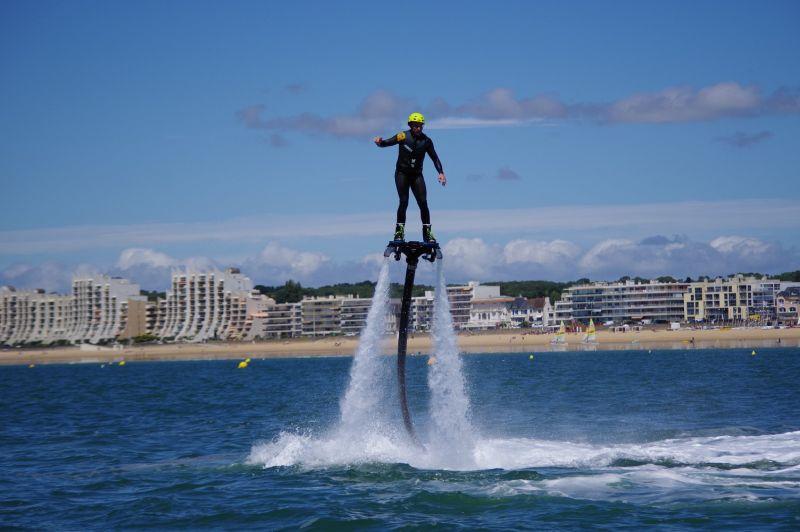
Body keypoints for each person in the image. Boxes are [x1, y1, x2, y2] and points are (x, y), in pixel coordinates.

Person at [373, 112, 446, 243]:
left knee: (423, 203)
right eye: (415, 125)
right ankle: (399, 232)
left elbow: (435, 158)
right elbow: (387, 143)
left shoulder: (427, 141)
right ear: (410, 125)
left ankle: (427, 233)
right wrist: (380, 142)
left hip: (417, 175)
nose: (418, 128)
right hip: (402, 174)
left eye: (420, 126)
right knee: (404, 201)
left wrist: (440, 172)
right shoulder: (402, 136)